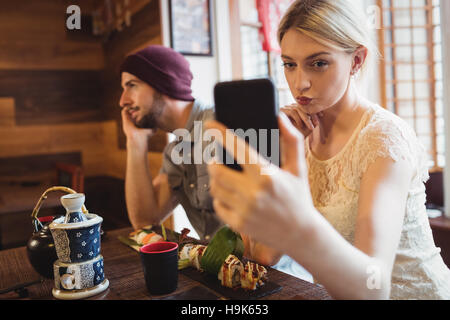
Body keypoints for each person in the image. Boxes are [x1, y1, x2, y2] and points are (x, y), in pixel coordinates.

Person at [205, 0, 450, 299]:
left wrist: (299, 225)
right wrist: (281, 161)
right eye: (289, 64)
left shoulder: (383, 139)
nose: (300, 83)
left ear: (357, 60)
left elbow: (374, 287)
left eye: (318, 63)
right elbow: (265, 255)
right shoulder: (297, 136)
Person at [118, 45, 279, 266]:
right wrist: (135, 143)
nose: (123, 101)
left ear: (162, 83)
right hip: (220, 276)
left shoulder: (224, 126)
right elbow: (144, 221)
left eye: (132, 86)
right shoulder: (174, 152)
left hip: (268, 277)